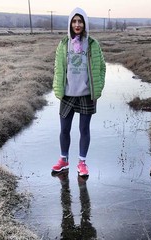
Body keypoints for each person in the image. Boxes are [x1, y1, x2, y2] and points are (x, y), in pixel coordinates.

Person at [52, 7, 106, 177]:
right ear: (70, 23)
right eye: (74, 21)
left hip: (86, 94)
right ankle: (63, 160)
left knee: (84, 129)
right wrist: (57, 88)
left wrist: (98, 87)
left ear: (84, 23)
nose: (77, 24)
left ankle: (82, 162)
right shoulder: (63, 44)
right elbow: (57, 68)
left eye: (80, 21)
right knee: (64, 129)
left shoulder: (92, 44)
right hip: (68, 94)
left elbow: (102, 67)